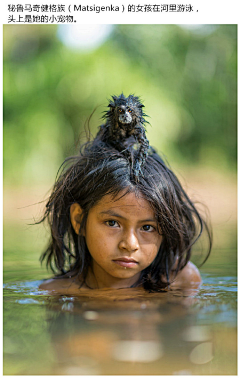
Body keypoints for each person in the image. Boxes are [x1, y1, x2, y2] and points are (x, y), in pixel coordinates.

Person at [39, 97, 212, 294]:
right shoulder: (57, 292)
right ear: (79, 219)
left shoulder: (180, 282)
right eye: (112, 223)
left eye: (148, 227)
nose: (129, 244)